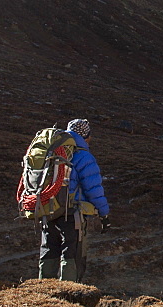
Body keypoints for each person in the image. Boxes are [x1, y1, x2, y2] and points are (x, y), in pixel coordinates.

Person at [38, 118, 110, 282]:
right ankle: (68, 295)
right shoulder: (84, 157)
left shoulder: (53, 152)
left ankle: (42, 293)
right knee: (71, 253)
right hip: (72, 213)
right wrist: (104, 214)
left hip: (48, 208)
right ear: (86, 136)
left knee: (49, 250)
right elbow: (94, 189)